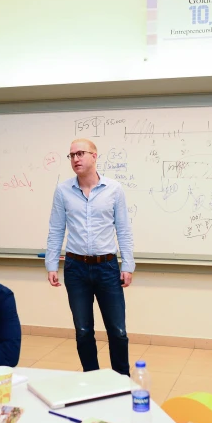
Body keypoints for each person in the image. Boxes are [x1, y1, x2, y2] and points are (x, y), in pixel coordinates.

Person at [46, 139, 135, 376]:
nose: (75, 159)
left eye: (80, 153)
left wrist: (127, 264)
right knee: (83, 330)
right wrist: (51, 264)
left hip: (107, 266)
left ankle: (121, 381)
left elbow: (123, 229)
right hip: (76, 268)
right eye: (72, 155)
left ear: (94, 156)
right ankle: (92, 380)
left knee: (117, 331)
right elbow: (56, 229)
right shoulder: (63, 191)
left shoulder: (114, 189)